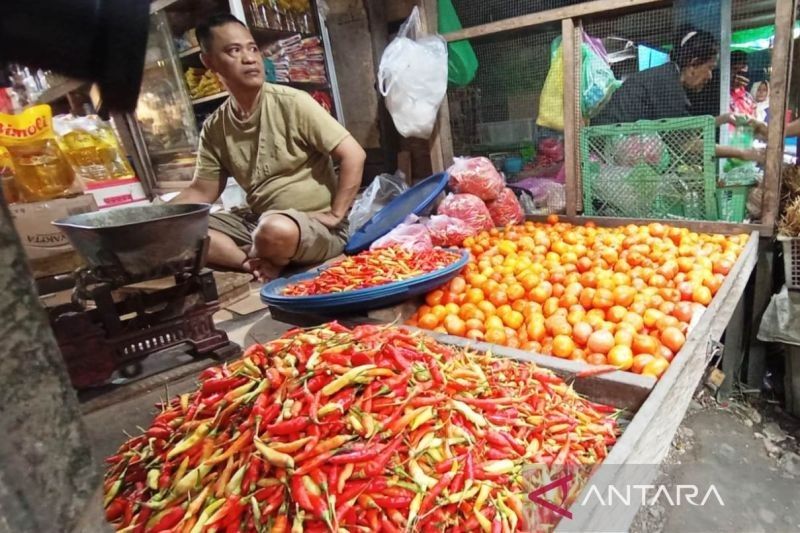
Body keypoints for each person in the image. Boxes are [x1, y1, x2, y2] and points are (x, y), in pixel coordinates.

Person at [172, 14, 366, 281]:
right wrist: (155, 217)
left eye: (252, 48)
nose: (250, 58)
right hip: (259, 221)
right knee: (178, 230)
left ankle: (263, 250)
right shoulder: (215, 128)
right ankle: (253, 262)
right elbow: (201, 190)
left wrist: (336, 214)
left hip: (313, 228)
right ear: (209, 62)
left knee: (275, 230)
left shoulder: (293, 102)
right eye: (233, 51)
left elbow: (354, 154)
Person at [593, 28, 762, 162]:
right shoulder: (666, 85)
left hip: (610, 150)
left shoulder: (668, 77)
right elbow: (686, 143)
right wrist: (741, 153)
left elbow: (683, 129)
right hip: (604, 154)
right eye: (709, 68)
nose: (710, 76)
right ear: (693, 63)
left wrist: (725, 118)